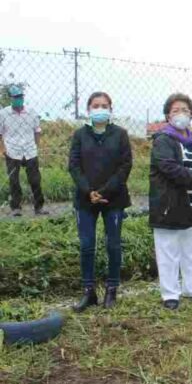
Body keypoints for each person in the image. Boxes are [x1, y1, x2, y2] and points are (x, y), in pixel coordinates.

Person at [149, 93, 192, 310]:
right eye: (175, 110)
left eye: (185, 110)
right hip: (169, 206)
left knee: (191, 249)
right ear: (168, 116)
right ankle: (170, 294)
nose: (181, 114)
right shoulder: (163, 140)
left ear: (191, 115)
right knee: (168, 251)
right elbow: (169, 168)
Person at [69, 92, 132, 311]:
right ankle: (89, 292)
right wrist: (88, 191)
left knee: (113, 245)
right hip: (85, 200)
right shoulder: (80, 135)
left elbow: (125, 166)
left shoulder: (120, 134)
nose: (100, 109)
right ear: (88, 110)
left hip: (113, 199)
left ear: (110, 109)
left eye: (104, 106)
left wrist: (105, 190)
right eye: (96, 106)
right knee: (87, 245)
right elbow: (74, 166)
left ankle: (112, 290)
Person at [0, 85, 48, 216]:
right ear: (11, 98)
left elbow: (37, 131)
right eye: (16, 97)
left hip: (30, 150)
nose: (18, 99)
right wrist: (3, 150)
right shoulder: (3, 114)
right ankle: (16, 208)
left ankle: (39, 207)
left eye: (20, 96)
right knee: (14, 181)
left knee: (35, 180)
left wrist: (36, 146)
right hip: (12, 151)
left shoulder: (31, 112)